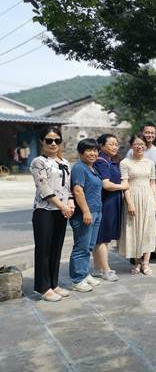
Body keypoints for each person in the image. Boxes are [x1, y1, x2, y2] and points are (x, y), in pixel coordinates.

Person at [30, 127, 74, 302]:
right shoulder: (38, 162)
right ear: (42, 141)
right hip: (45, 211)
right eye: (49, 140)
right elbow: (44, 188)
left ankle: (54, 284)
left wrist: (70, 203)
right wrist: (63, 206)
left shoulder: (65, 162)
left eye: (57, 140)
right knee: (44, 249)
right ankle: (43, 287)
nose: (53, 143)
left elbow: (68, 186)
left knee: (56, 248)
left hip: (61, 211)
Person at [119, 133, 156, 275]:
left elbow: (153, 183)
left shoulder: (150, 163)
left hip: (148, 198)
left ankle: (146, 263)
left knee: (148, 230)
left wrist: (155, 201)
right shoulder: (125, 163)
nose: (139, 146)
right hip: (133, 198)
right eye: (136, 144)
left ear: (145, 146)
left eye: (142, 144)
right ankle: (137, 262)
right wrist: (129, 203)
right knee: (134, 230)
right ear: (132, 146)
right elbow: (125, 184)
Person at [92, 134, 127, 282]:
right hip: (106, 202)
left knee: (101, 237)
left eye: (116, 144)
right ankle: (106, 270)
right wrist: (123, 186)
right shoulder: (102, 161)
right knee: (103, 238)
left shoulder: (109, 160)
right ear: (101, 146)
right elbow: (106, 184)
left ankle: (97, 268)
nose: (115, 147)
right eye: (111, 144)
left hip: (111, 201)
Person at [69, 138, 103, 292]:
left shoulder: (92, 168)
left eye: (95, 150)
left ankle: (85, 273)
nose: (93, 153)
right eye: (89, 150)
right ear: (81, 152)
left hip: (96, 212)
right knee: (81, 246)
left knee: (89, 246)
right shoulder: (79, 168)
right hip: (84, 214)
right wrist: (86, 211)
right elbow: (77, 190)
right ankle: (77, 280)